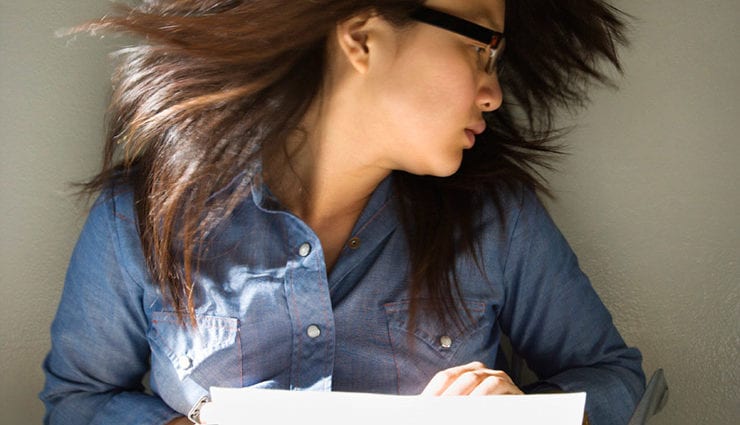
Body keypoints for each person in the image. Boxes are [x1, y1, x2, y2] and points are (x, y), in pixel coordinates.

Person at [40, 0, 645, 424]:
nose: (493, 93)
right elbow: (79, 400)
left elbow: (612, 377)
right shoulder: (142, 217)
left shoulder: (497, 219)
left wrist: (526, 417)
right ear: (361, 37)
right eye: (481, 47)